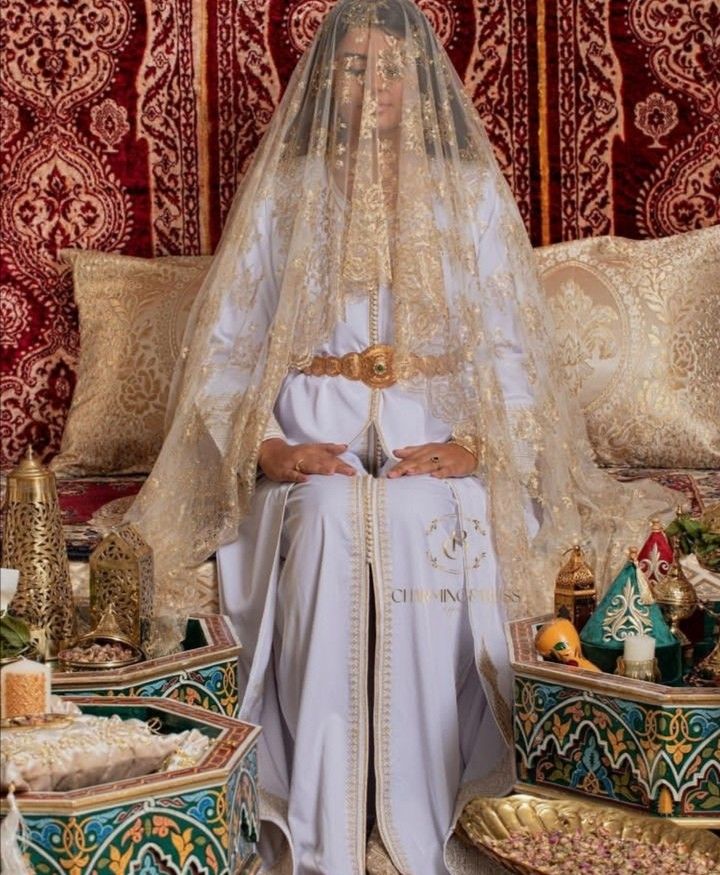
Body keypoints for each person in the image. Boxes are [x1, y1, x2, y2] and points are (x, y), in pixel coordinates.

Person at [126, 1, 670, 871]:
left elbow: (511, 342)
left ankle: (423, 816)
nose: (371, 84)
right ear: (326, 81)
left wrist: (480, 444)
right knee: (331, 519)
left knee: (428, 522)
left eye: (388, 67)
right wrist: (269, 447)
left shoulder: (465, 197)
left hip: (438, 447)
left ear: (417, 81)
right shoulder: (285, 196)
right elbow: (229, 343)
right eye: (352, 66)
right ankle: (319, 826)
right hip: (312, 445)